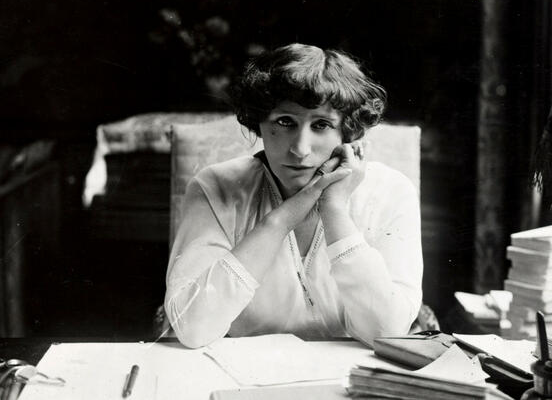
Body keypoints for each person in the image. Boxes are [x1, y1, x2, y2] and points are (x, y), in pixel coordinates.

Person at [164, 43, 423, 348]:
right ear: (259, 122)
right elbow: (193, 328)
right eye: (285, 122)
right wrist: (282, 219)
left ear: (347, 131)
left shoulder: (391, 191)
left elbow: (386, 334)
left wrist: (334, 210)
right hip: (245, 370)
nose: (300, 149)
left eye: (321, 124)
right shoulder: (216, 186)